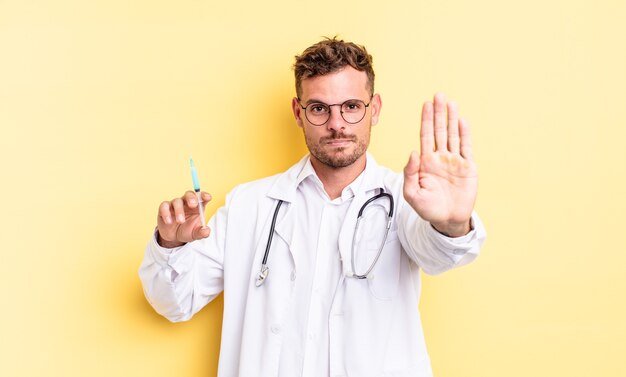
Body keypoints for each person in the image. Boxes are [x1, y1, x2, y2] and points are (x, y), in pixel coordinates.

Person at [139, 37, 486, 377]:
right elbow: (175, 303)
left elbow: (439, 255)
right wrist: (171, 246)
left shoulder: (406, 198)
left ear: (374, 109)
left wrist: (452, 224)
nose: (337, 124)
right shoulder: (250, 205)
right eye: (319, 108)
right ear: (298, 113)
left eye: (351, 106)